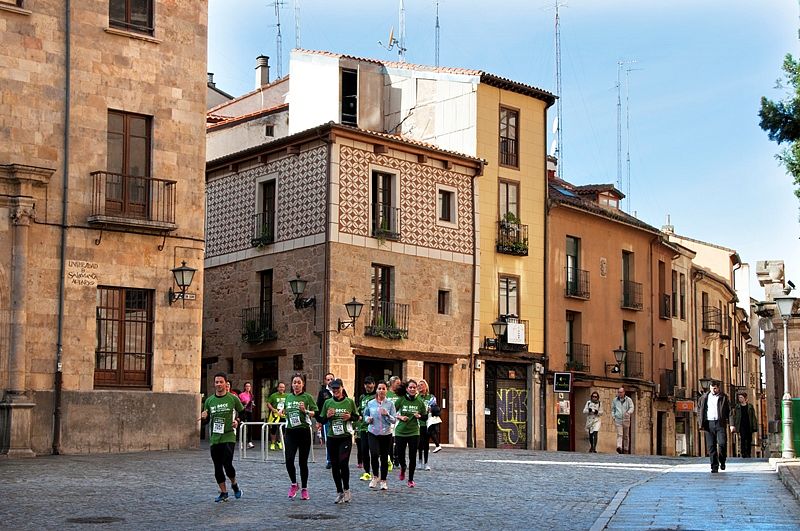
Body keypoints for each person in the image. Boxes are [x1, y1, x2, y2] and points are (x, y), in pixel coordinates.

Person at [200, 372, 244, 502]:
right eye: (216, 382)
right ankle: (224, 492)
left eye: (221, 382)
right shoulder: (209, 401)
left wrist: (237, 421)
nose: (218, 384)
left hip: (229, 435)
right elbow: (206, 422)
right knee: (217, 466)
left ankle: (234, 484)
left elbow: (243, 413)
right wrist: (204, 417)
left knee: (227, 463)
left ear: (226, 383)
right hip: (215, 437)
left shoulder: (232, 398)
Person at [318, 378, 359, 504]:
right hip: (332, 438)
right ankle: (339, 492)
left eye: (337, 388)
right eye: (333, 388)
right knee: (335, 465)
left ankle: (347, 489)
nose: (335, 390)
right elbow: (321, 420)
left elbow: (357, 417)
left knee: (343, 463)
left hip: (345, 437)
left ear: (342, 388)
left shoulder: (349, 402)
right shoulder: (328, 402)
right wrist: (327, 416)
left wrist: (350, 417)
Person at [283, 374, 318, 501]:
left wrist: (305, 411)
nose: (296, 385)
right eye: (294, 382)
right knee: (289, 459)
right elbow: (285, 411)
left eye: (299, 382)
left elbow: (316, 413)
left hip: (303, 432)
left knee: (302, 462)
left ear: (303, 384)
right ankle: (294, 484)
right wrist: (282, 412)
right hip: (290, 432)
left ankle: (304, 488)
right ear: (291, 384)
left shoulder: (307, 397)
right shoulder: (288, 397)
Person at [363, 380, 397, 491]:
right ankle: (375, 476)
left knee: (384, 457)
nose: (381, 390)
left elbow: (394, 420)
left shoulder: (390, 404)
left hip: (386, 433)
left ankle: (383, 480)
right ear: (376, 390)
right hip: (373, 432)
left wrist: (387, 414)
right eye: (379, 388)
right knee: (374, 454)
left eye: (383, 388)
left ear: (386, 390)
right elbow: (365, 415)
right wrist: (368, 419)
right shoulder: (370, 403)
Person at [394, 379, 427, 488]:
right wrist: (400, 417)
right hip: (400, 432)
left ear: (416, 389)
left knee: (413, 456)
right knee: (400, 455)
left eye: (414, 387)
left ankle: (411, 479)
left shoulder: (420, 402)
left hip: (414, 432)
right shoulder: (401, 400)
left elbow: (425, 416)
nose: (412, 389)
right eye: (410, 387)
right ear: (407, 389)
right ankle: (403, 467)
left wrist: (420, 416)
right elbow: (391, 413)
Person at [699, 380, 731, 473]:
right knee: (711, 446)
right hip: (709, 423)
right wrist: (700, 422)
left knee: (722, 443)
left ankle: (722, 460)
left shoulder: (723, 397)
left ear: (718, 388)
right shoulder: (704, 397)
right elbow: (699, 410)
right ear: (710, 388)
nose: (713, 390)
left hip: (720, 423)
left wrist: (731, 424)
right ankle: (714, 466)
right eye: (712, 388)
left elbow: (729, 411)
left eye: (715, 388)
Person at [417, 379, 439, 469]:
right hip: (418, 423)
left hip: (427, 423)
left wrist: (432, 409)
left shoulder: (431, 397)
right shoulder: (416, 397)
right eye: (418, 385)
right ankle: (419, 461)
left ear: (426, 386)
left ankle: (426, 463)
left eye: (421, 385)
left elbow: (434, 408)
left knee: (426, 444)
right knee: (419, 444)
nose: (419, 387)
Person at [357, 376, 376, 481]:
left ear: (373, 384)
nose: (367, 386)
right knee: (364, 450)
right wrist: (358, 416)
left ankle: (375, 472)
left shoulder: (376, 396)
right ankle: (367, 472)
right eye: (366, 384)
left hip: (373, 427)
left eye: (369, 383)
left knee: (374, 451)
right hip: (363, 427)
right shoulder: (362, 397)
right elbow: (360, 409)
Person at [731, 391, 758, 458]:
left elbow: (753, 417)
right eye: (739, 397)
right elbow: (734, 416)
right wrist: (734, 424)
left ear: (745, 398)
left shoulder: (750, 407)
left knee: (749, 439)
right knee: (742, 439)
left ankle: (748, 453)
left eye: (741, 397)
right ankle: (743, 453)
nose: (740, 399)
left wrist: (754, 426)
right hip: (741, 425)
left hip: (748, 424)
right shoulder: (737, 407)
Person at [317, 372, 335, 469]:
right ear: (325, 381)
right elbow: (319, 406)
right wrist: (319, 420)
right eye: (328, 380)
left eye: (331, 379)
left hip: (338, 418)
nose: (330, 381)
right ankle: (329, 460)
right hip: (327, 419)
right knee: (328, 439)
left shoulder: (339, 390)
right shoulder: (323, 392)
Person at [611, 387, 634, 454]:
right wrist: (614, 416)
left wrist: (628, 412)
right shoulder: (615, 400)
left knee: (626, 435)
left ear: (624, 392)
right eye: (618, 392)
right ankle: (619, 447)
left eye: (621, 392)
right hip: (618, 419)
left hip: (626, 419)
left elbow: (632, 407)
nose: (619, 394)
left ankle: (626, 448)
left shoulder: (628, 400)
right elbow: (613, 409)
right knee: (619, 434)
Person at [386, 376, 402, 470]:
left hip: (398, 419)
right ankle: (390, 459)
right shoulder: (387, 393)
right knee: (390, 440)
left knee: (398, 439)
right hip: (389, 419)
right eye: (397, 384)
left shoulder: (400, 395)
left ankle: (397, 456)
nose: (399, 385)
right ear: (392, 383)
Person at [266, 381, 287, 451]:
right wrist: (272, 409)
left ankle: (279, 442)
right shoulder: (273, 395)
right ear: (278, 388)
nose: (282, 388)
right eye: (280, 387)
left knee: (283, 429)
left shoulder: (287, 396)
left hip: (283, 415)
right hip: (275, 415)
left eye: (283, 387)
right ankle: (272, 443)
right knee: (273, 429)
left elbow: (288, 404)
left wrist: (285, 410)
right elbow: (268, 403)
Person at [238, 382, 256, 449]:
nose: (248, 387)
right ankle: (241, 442)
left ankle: (249, 442)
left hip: (249, 411)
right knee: (242, 426)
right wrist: (244, 404)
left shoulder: (251, 395)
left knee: (249, 426)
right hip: (243, 411)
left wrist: (252, 404)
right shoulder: (241, 395)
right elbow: (239, 403)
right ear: (244, 387)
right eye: (247, 386)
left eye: (249, 386)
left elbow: (252, 403)